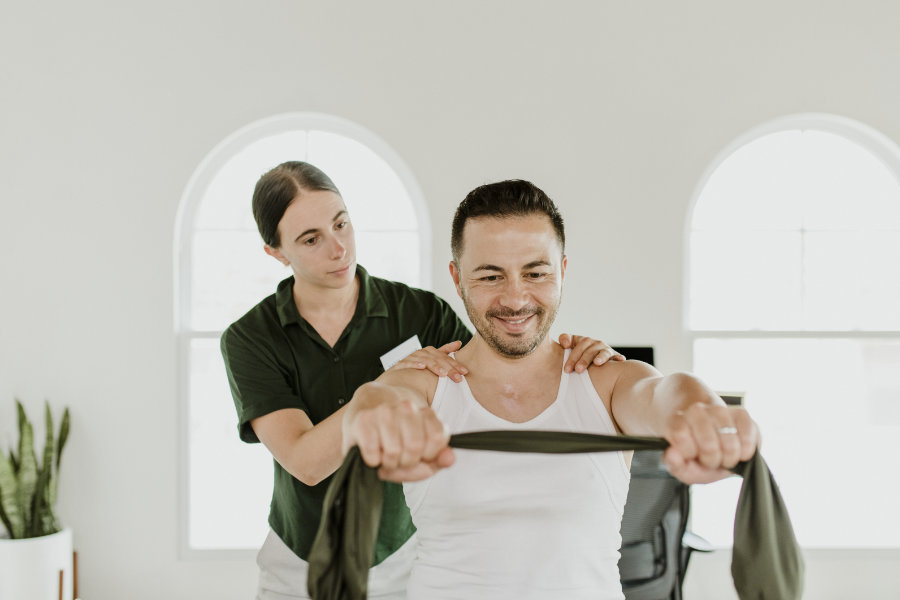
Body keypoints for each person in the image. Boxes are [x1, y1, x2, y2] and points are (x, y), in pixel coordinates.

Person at [219, 162, 623, 600]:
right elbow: (306, 462)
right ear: (276, 252)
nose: (338, 248)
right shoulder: (250, 337)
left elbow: (499, 363)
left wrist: (580, 354)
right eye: (311, 239)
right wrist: (390, 384)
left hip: (401, 555)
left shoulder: (421, 313)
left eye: (341, 224)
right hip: (301, 559)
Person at [342, 179, 761, 600]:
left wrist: (700, 412)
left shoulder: (606, 380)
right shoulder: (423, 384)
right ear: (457, 278)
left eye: (535, 273)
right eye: (490, 276)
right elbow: (377, 402)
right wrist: (376, 417)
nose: (515, 298)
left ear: (561, 270)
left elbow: (663, 392)